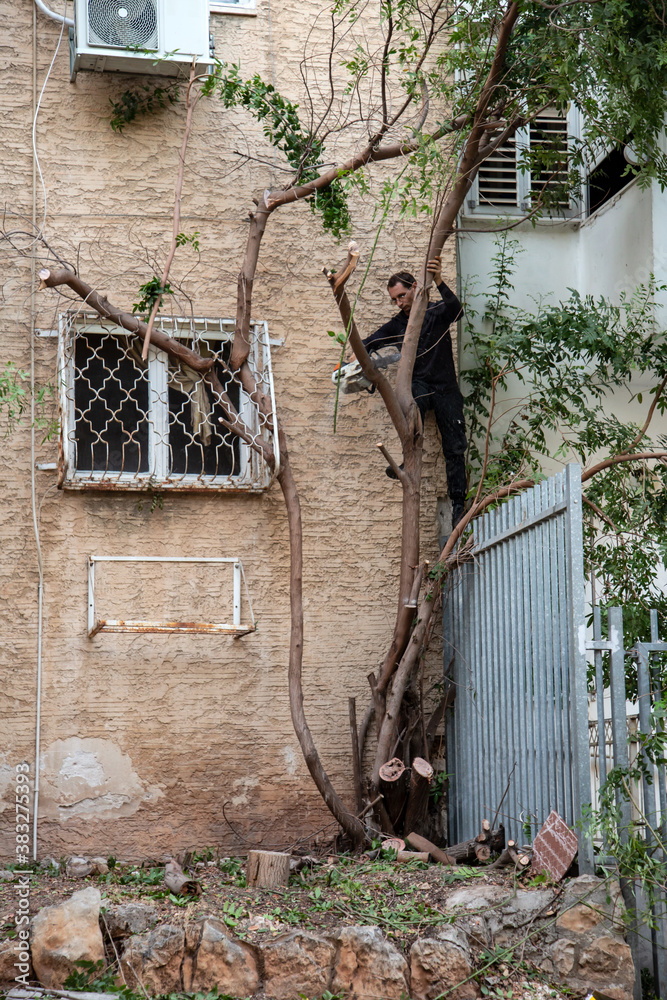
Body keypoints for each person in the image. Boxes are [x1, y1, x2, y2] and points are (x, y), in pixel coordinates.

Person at [352, 257, 467, 529]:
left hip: (446, 388)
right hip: (421, 387)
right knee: (410, 406)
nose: (399, 303)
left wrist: (438, 280)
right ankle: (407, 460)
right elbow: (369, 343)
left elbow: (458, 311)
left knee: (455, 449)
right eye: (394, 299)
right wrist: (353, 362)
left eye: (402, 296)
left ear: (415, 288)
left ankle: (459, 506)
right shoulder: (397, 324)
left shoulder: (437, 311)